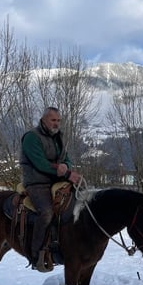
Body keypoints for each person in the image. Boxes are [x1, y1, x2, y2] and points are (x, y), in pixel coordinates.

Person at [20, 107, 82, 272]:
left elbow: (66, 158)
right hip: (36, 182)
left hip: (56, 180)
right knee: (46, 212)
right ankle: (36, 254)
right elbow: (39, 163)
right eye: (53, 120)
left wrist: (66, 167)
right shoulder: (31, 137)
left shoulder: (58, 137)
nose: (56, 123)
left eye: (58, 120)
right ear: (44, 119)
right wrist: (64, 171)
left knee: (79, 203)